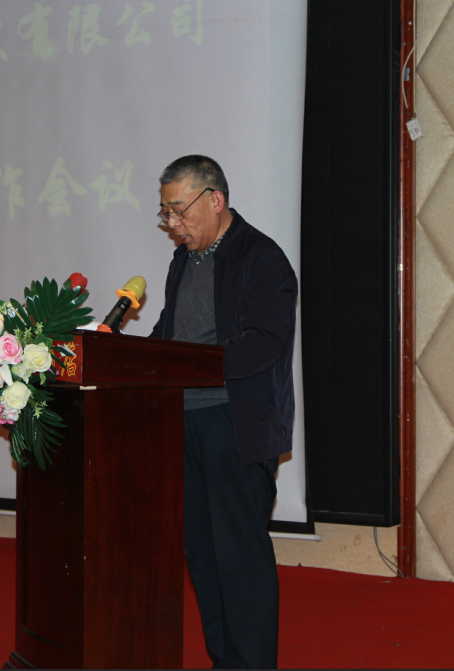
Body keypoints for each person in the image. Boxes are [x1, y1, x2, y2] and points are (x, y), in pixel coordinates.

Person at [150, 155, 297, 669]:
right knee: (204, 557)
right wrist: (138, 358)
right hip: (185, 422)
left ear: (215, 199)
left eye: (178, 210)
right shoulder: (183, 261)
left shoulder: (262, 258)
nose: (173, 223)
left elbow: (265, 342)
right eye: (166, 213)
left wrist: (191, 363)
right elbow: (170, 333)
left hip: (234, 424)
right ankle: (225, 662)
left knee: (240, 559)